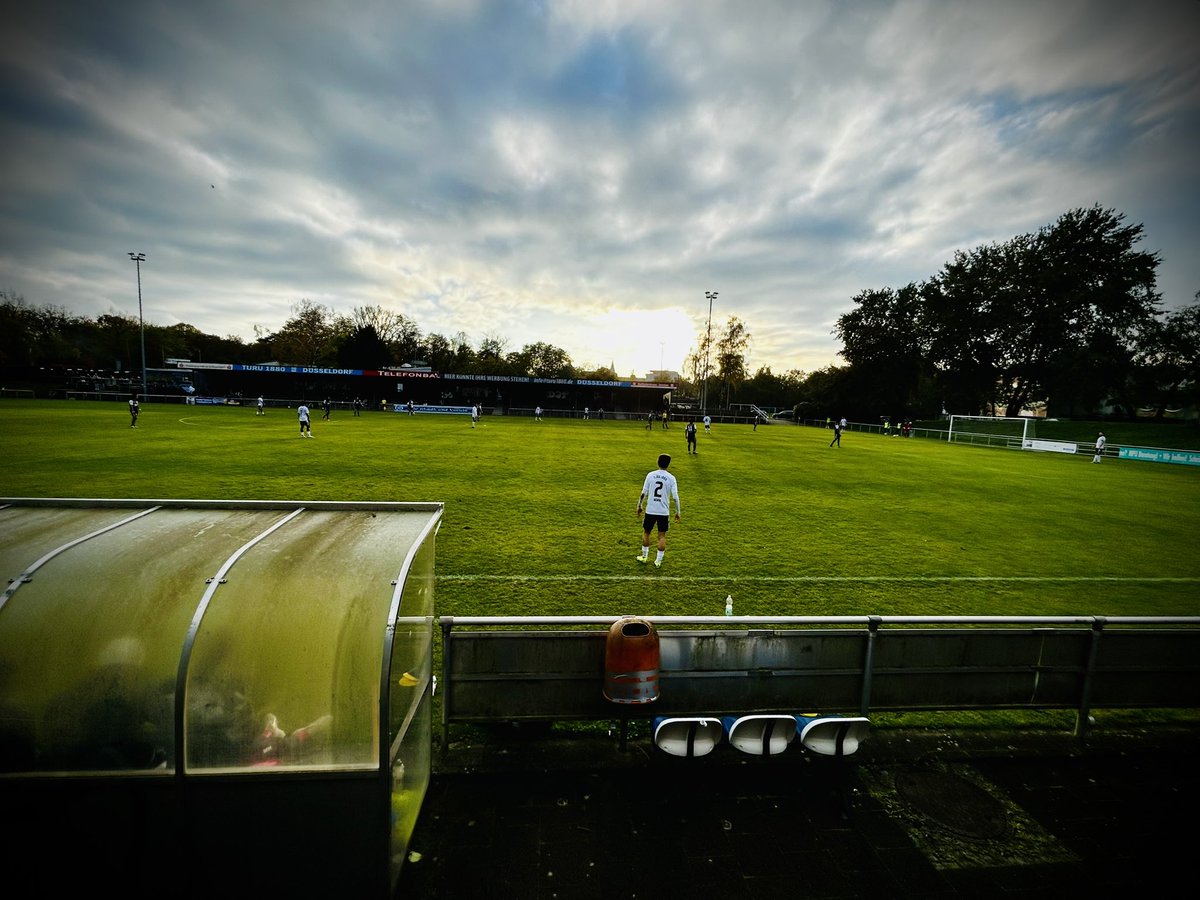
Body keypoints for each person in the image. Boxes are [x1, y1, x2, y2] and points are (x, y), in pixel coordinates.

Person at [636, 453, 681, 569]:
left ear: (658, 462)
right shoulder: (671, 478)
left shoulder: (650, 475)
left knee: (646, 532)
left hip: (650, 510)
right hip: (663, 512)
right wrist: (678, 512)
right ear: (668, 464)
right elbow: (675, 497)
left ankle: (644, 556)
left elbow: (643, 493)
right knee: (661, 536)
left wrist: (639, 505)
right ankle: (658, 561)